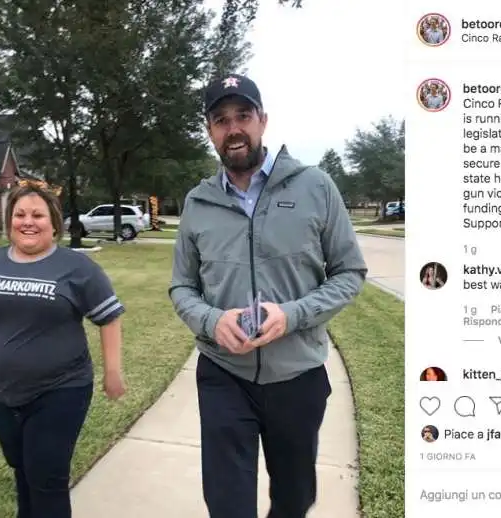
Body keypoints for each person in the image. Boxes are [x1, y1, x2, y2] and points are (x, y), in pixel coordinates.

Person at [169, 73, 368, 517]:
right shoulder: (198, 203)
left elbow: (349, 272)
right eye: (221, 119)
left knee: (293, 499)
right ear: (209, 130)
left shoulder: (315, 186)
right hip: (223, 375)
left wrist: (293, 314)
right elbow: (182, 285)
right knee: (227, 503)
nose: (233, 127)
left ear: (263, 120)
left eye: (243, 115)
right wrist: (211, 321)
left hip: (297, 375)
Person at [0, 183, 127, 518]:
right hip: (1, 393)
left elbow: (109, 318)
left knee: (46, 479)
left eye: (37, 215)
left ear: (54, 222)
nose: (28, 222)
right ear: (9, 220)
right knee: (22, 470)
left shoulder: (77, 268)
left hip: (61, 390)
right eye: (20, 214)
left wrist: (112, 372)